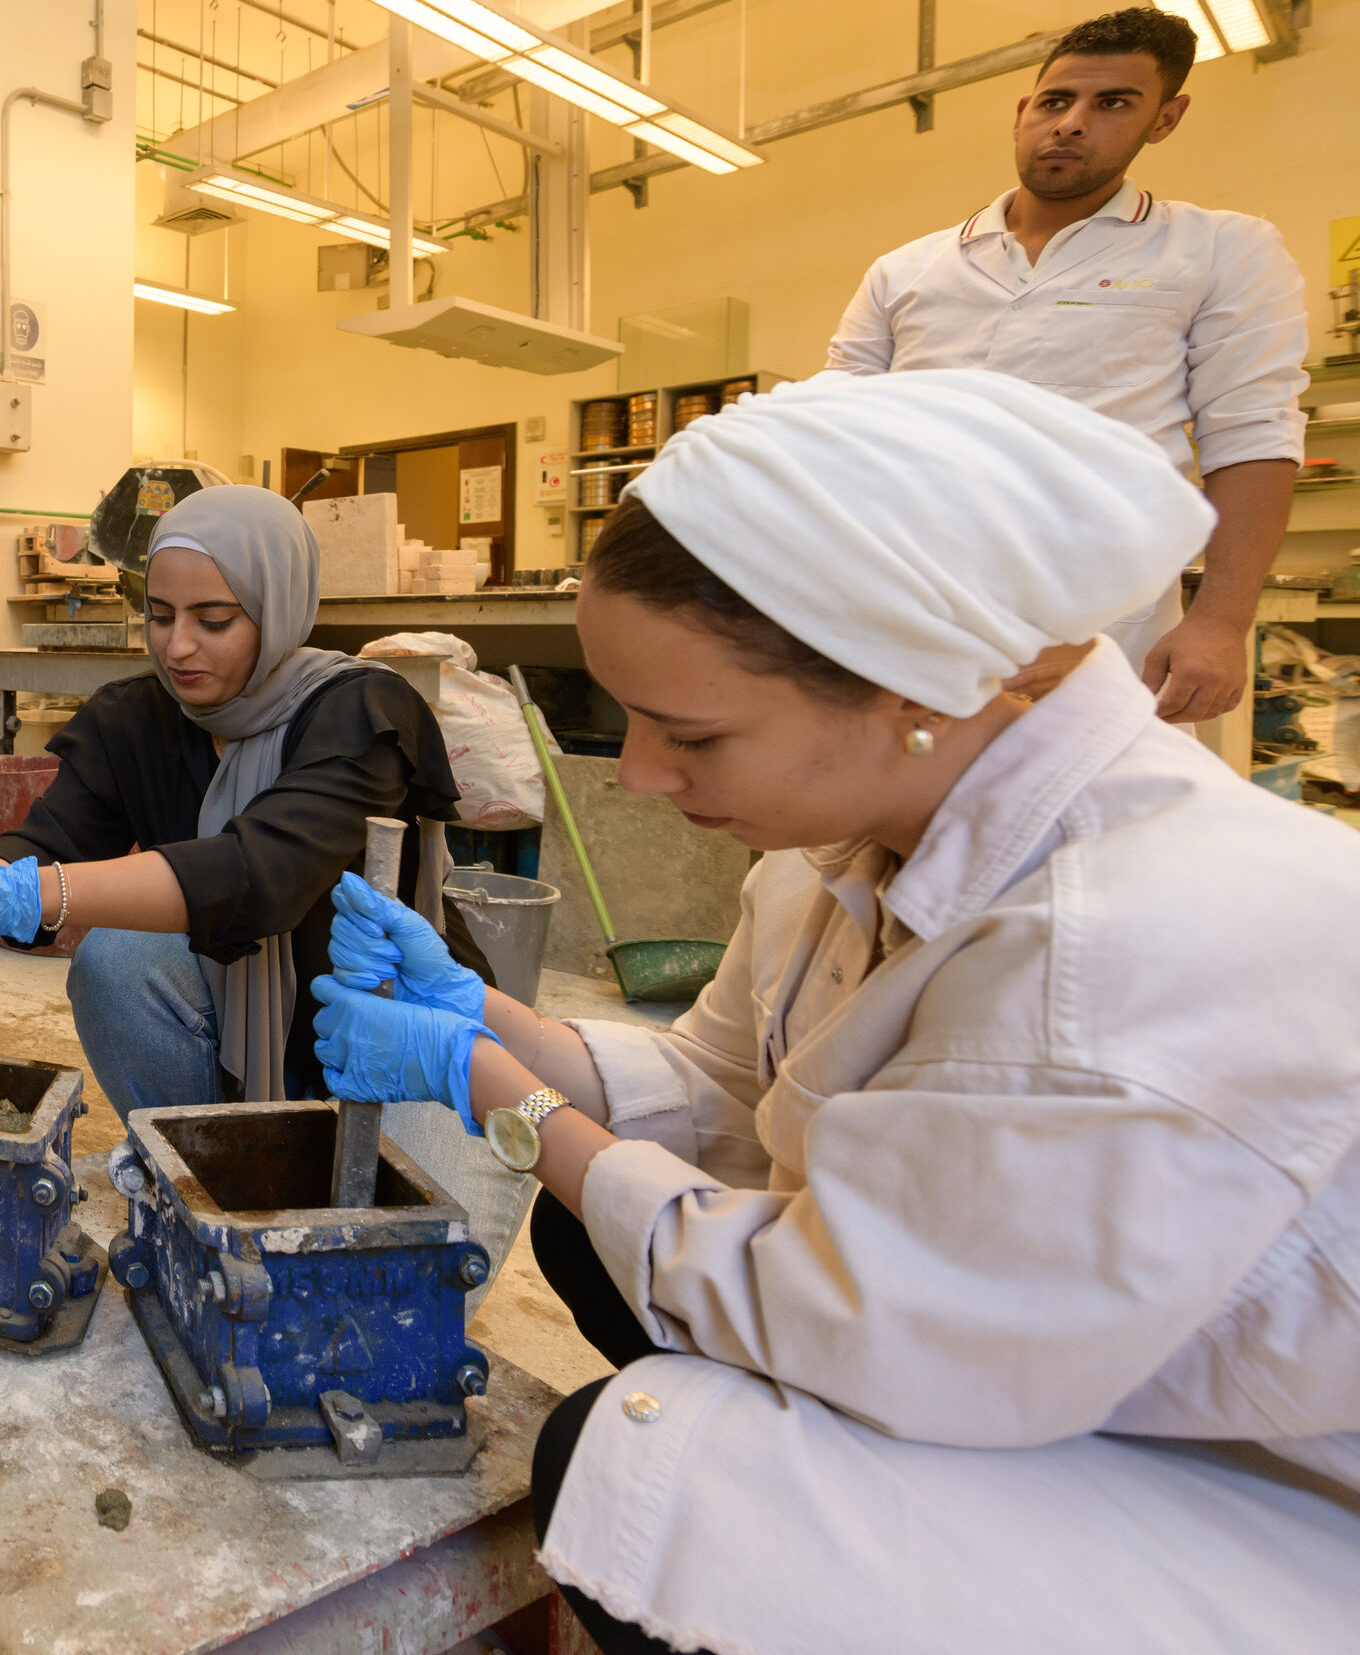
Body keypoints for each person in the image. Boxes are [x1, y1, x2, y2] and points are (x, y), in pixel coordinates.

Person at [306, 370, 1359, 1654]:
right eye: (629, 719)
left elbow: (856, 1314)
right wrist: (491, 1013)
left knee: (631, 1470)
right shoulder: (846, 843)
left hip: (1271, 1491)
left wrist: (502, 1095)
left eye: (691, 733)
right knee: (599, 1225)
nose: (639, 775)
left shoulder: (1111, 965)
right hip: (1035, 1339)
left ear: (912, 689)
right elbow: (724, 1087)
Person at [0, 484, 473, 1113]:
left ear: (276, 609)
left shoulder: (357, 713)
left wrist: (26, 895)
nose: (177, 646)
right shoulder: (138, 716)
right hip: (247, 1026)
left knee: (435, 1192)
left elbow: (259, 873)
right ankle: (202, 1157)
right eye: (161, 615)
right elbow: (53, 837)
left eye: (214, 620)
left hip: (399, 1035)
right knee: (116, 963)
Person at [827, 5, 1309, 724]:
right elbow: (833, 437)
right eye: (1056, 101)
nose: (1073, 123)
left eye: (1113, 103)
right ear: (1024, 112)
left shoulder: (1220, 250)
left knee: (1069, 821)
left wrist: (1220, 622)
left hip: (1098, 629)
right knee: (881, 823)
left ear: (1165, 120)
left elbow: (1254, 437)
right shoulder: (905, 271)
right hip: (908, 608)